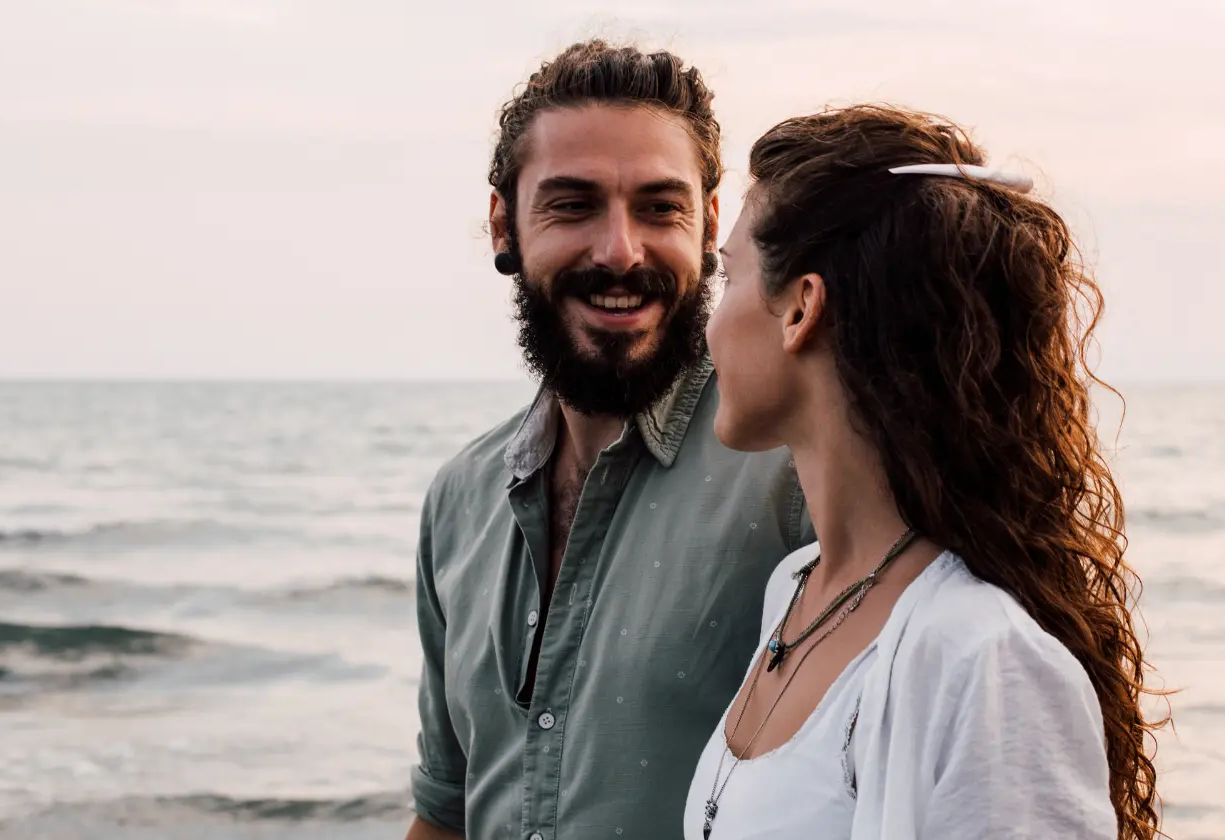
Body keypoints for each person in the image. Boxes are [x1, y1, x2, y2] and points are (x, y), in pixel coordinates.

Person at [684, 104, 1165, 840]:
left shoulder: (984, 658)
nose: (709, 321)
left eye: (726, 278)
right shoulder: (796, 591)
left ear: (800, 309)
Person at [404, 41, 812, 840]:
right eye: (573, 204)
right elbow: (444, 813)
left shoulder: (799, 477)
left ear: (711, 226)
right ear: (503, 222)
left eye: (661, 207)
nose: (620, 250)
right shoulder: (459, 499)